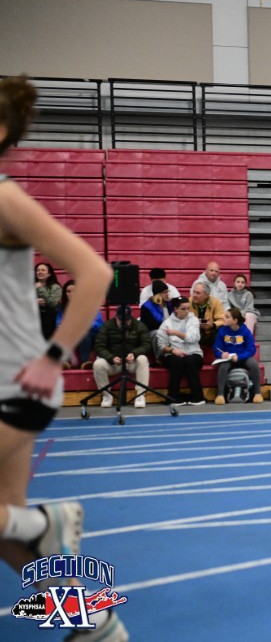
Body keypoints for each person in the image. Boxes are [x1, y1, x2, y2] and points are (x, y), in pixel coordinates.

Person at [0, 75, 128, 641]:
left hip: (18, 385)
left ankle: (43, 521)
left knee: (16, 524)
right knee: (4, 533)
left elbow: (96, 272)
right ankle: (95, 622)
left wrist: (53, 356)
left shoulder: (5, 198)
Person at [93, 305, 152, 409]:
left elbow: (147, 344)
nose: (124, 322)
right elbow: (99, 346)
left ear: (131, 316)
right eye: (121, 320)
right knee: (98, 364)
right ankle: (107, 396)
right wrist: (111, 358)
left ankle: (140, 396)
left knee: (143, 359)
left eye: (127, 320)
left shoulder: (139, 325)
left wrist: (134, 353)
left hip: (131, 362)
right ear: (116, 316)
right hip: (114, 363)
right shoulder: (107, 326)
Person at [158, 296, 207, 405]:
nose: (186, 311)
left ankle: (198, 397)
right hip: (174, 353)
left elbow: (193, 338)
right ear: (175, 309)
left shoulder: (193, 320)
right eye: (183, 309)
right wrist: (172, 350)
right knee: (176, 361)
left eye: (188, 308)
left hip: (193, 352)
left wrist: (176, 333)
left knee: (190, 361)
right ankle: (173, 397)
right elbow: (161, 345)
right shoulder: (166, 323)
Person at [213, 307, 263, 405]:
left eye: (227, 317)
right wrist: (221, 354)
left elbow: (251, 349)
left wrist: (239, 357)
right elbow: (217, 347)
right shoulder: (222, 330)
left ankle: (257, 393)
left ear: (235, 320)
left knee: (253, 364)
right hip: (228, 358)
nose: (224, 319)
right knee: (223, 367)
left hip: (242, 358)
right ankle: (220, 395)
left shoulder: (245, 331)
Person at [56, 278, 104, 368]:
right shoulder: (62, 308)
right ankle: (66, 362)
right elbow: (58, 323)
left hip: (90, 336)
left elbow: (100, 324)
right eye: (68, 291)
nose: (71, 294)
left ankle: (85, 362)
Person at [140, 278, 172, 355]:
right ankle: (161, 356)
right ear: (158, 294)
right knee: (157, 333)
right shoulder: (147, 307)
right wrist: (164, 329)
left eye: (167, 291)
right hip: (154, 332)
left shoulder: (170, 304)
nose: (167, 294)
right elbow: (147, 326)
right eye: (165, 292)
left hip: (170, 330)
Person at [190, 280, 225, 348]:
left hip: (212, 332)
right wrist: (195, 322)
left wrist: (213, 325)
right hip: (196, 331)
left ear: (206, 295)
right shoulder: (189, 302)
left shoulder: (216, 302)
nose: (194, 295)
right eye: (194, 292)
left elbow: (222, 320)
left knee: (222, 330)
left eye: (198, 293)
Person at [34, 261, 62, 339]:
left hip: (48, 318)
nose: (40, 272)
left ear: (49, 274)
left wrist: (40, 288)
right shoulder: (29, 285)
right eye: (38, 270)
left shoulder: (55, 287)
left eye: (43, 270)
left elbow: (53, 303)